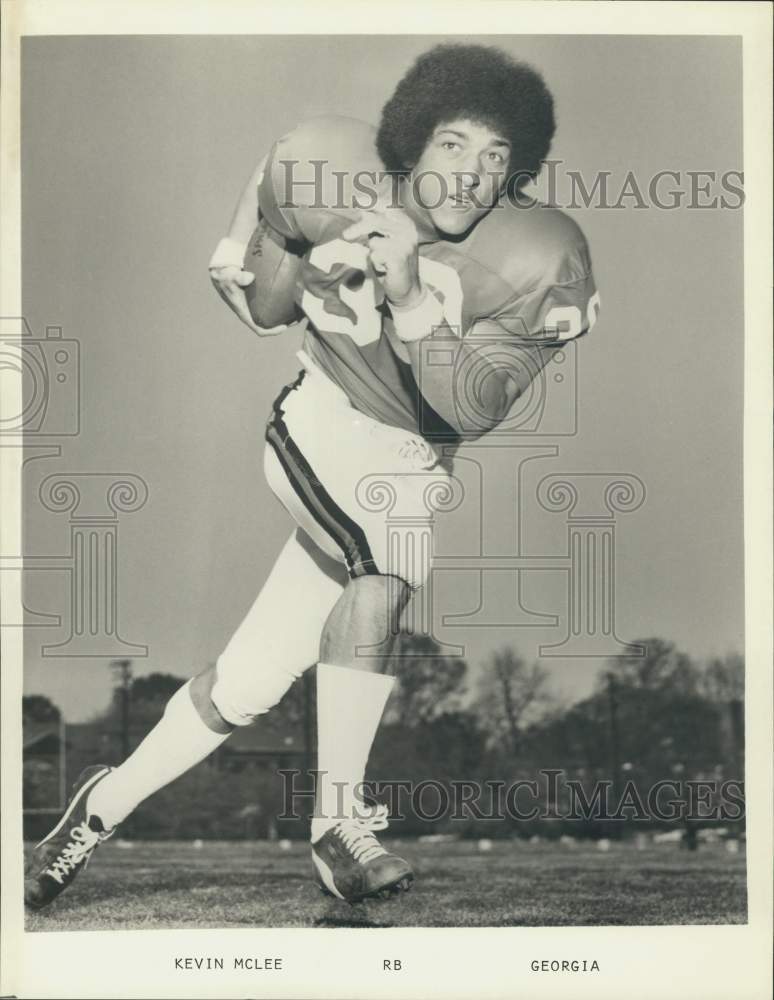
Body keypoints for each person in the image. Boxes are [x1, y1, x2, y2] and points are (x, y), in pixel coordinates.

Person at [25, 43, 598, 910]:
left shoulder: (534, 253)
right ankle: (338, 821)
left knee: (246, 686)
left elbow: (474, 411)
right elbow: (264, 304)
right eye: (455, 143)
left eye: (496, 158)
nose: (475, 173)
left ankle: (93, 814)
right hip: (321, 416)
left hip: (413, 463)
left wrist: (408, 293)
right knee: (390, 565)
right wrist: (267, 229)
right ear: (411, 141)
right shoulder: (330, 174)